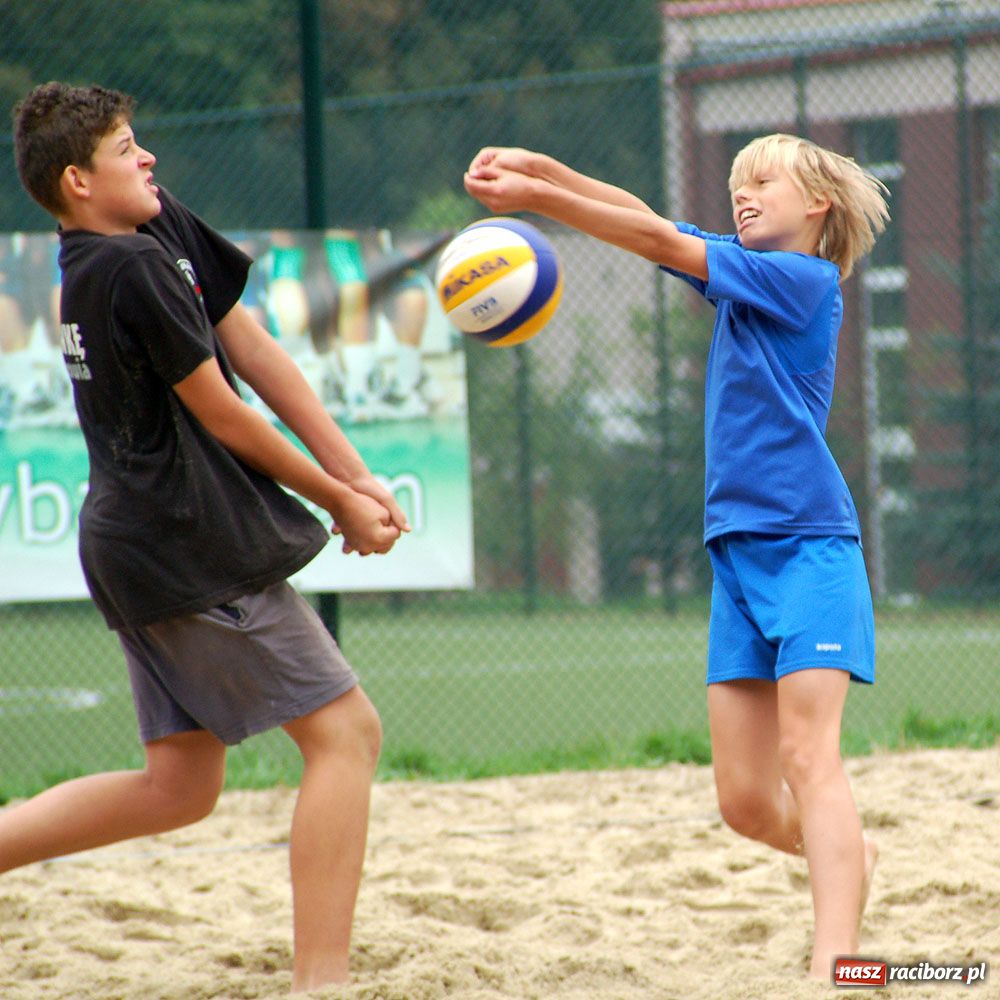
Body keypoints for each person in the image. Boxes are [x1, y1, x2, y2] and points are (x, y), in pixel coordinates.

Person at [7, 81, 410, 993]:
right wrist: (337, 502)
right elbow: (227, 413)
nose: (147, 158)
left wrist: (357, 473)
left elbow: (256, 349)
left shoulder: (145, 231)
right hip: (185, 543)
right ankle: (323, 983)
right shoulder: (125, 269)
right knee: (346, 734)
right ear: (77, 181)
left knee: (177, 790)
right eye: (124, 150)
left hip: (141, 545)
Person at [464, 134, 889, 980]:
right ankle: (848, 859)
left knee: (810, 759)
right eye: (737, 182)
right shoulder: (743, 267)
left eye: (764, 180)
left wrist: (539, 205)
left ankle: (838, 965)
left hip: (809, 550)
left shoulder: (805, 281)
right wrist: (549, 168)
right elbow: (648, 221)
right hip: (737, 560)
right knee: (744, 804)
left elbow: (657, 241)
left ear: (820, 208)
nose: (743, 192)